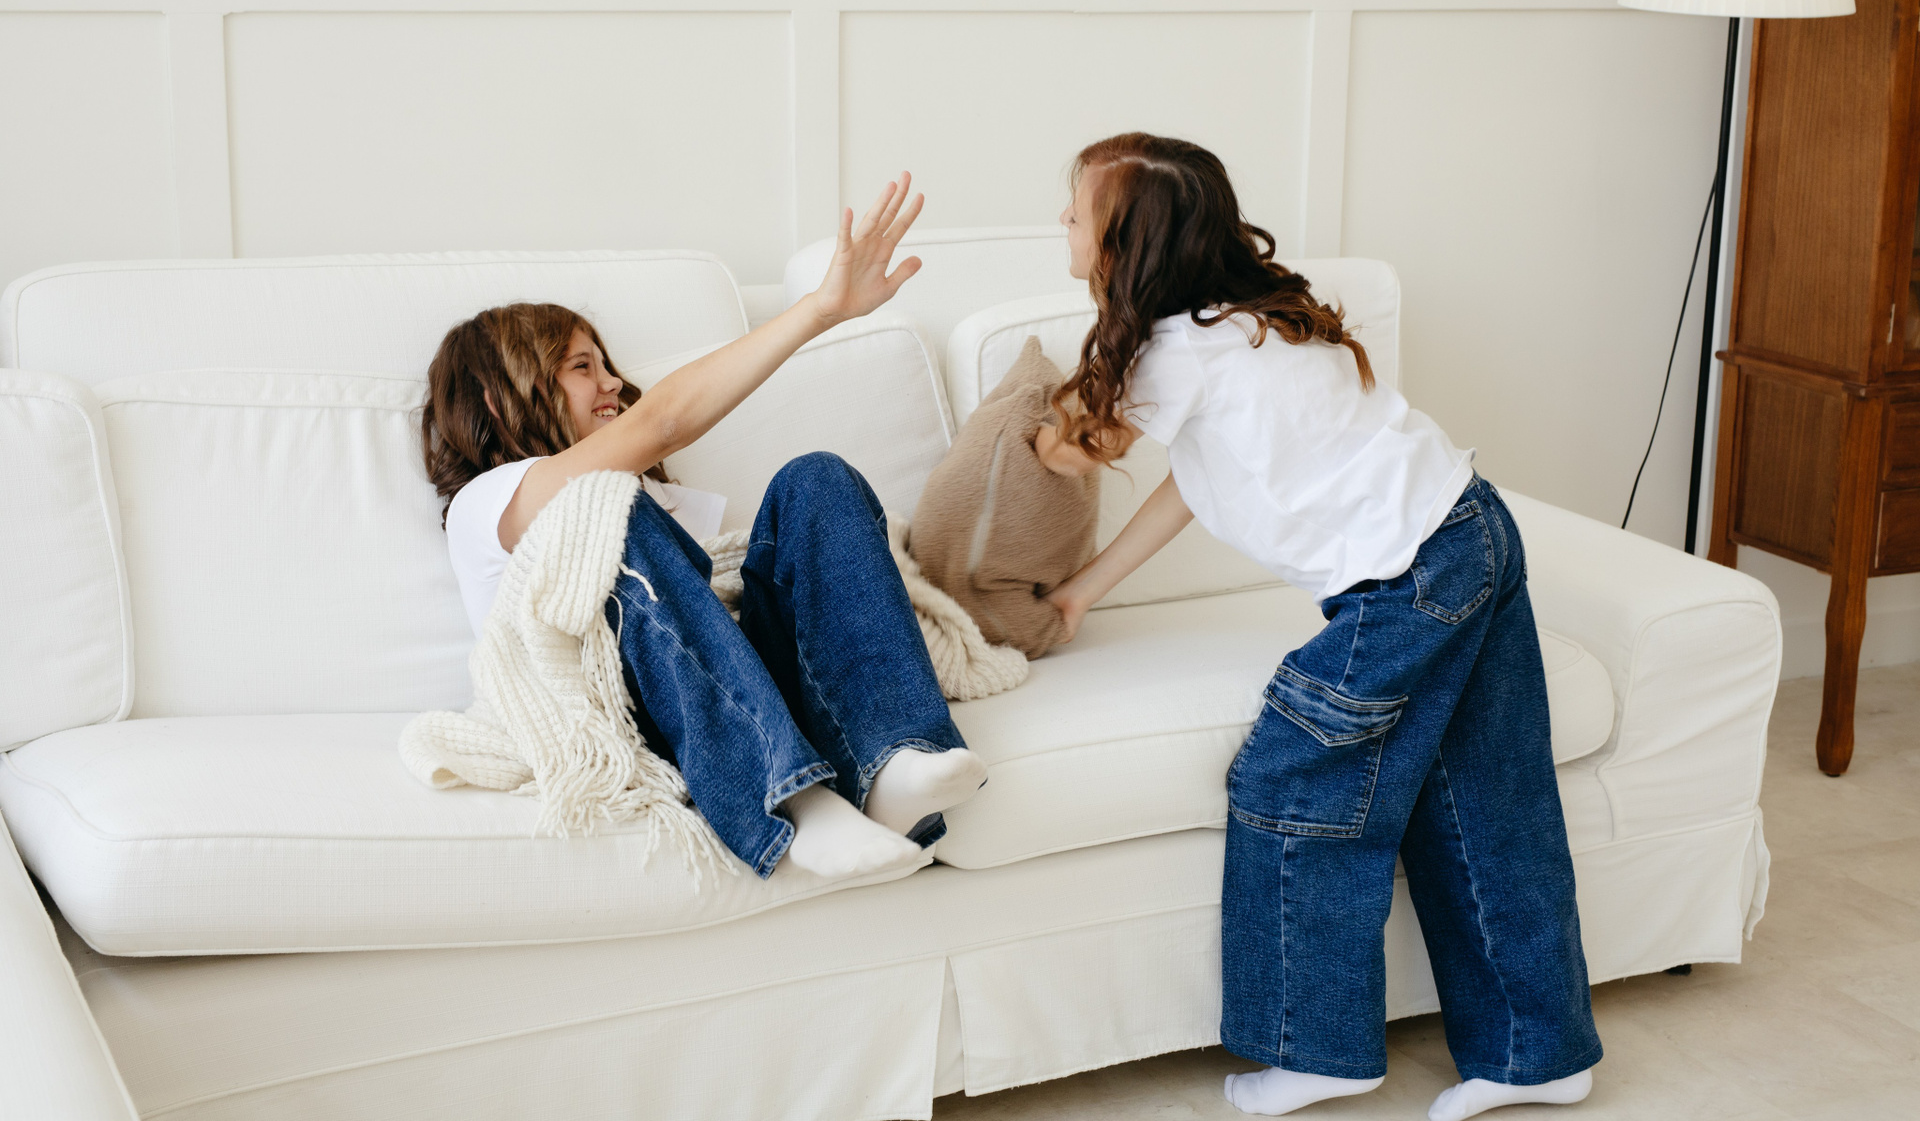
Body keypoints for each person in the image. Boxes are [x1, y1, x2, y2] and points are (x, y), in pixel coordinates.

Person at [1032, 135, 1602, 1121]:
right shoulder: (1247, 320)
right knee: (1483, 799)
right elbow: (1198, 477)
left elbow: (1067, 453)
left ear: (1129, 243)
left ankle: (1319, 1048)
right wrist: (1085, 588)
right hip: (1469, 531)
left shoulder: (1173, 350)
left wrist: (1029, 414)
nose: (1061, 223)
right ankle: (1536, 1052)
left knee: (1289, 776)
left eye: (1076, 211)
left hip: (1412, 578)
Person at [421, 175, 987, 881]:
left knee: (817, 478)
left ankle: (894, 759)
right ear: (498, 397)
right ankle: (793, 801)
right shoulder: (487, 502)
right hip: (649, 714)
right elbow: (662, 423)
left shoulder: (655, 499)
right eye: (582, 367)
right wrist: (821, 310)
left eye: (606, 365)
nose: (613, 384)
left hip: (731, 688)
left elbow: (718, 613)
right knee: (607, 509)